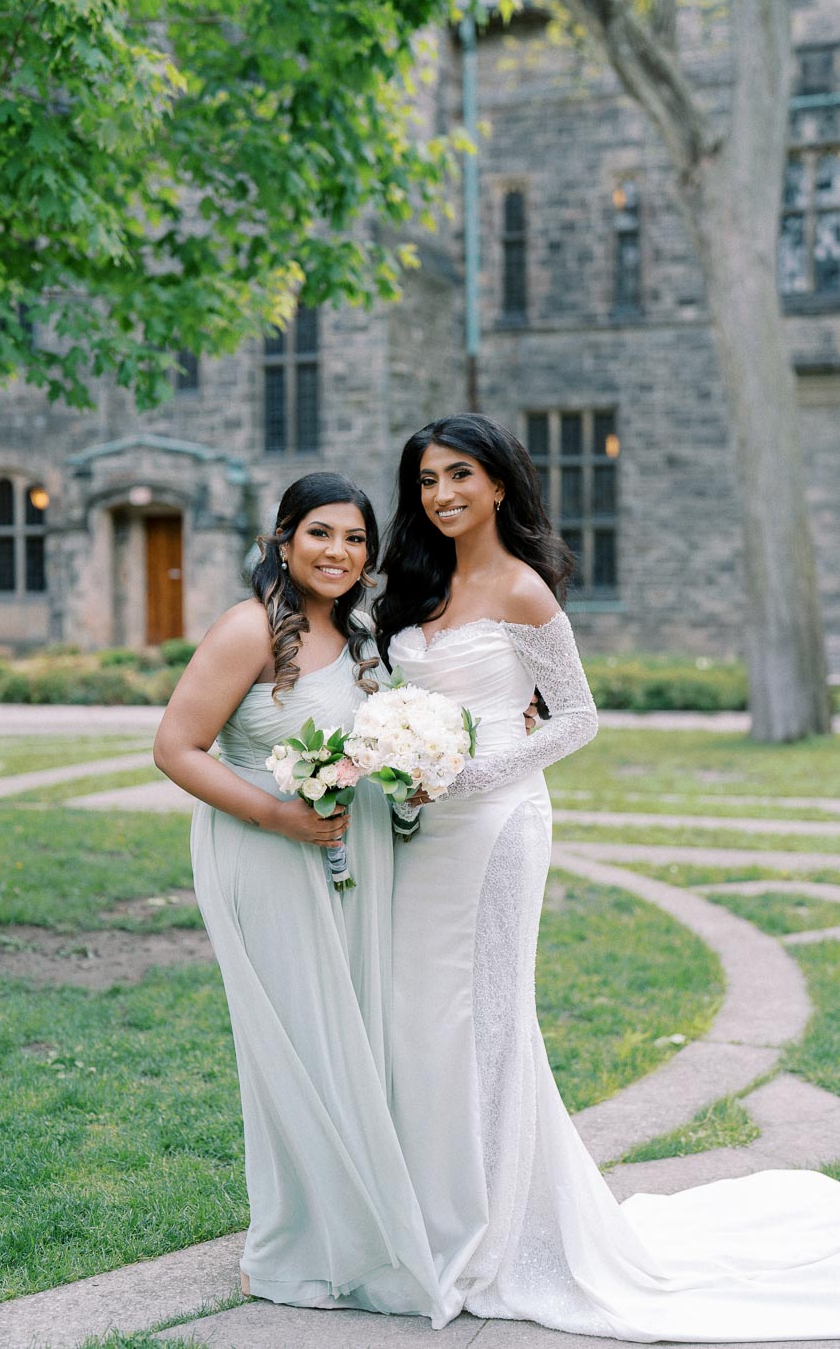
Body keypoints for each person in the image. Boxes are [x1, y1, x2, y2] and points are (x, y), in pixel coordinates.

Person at [373, 412, 840, 1338]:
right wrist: (399, 770)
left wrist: (471, 777)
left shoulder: (525, 591)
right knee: (419, 1013)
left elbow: (577, 717)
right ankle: (430, 1208)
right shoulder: (415, 585)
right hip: (422, 828)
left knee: (492, 1014)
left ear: (500, 483)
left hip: (501, 819)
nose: (442, 495)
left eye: (459, 475)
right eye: (426, 481)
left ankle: (501, 1230)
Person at [153, 472, 442, 1316]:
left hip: (355, 861)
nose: (340, 553)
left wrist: (410, 785)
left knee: (352, 1039)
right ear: (283, 540)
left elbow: (370, 746)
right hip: (268, 856)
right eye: (321, 533)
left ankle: (354, 1227)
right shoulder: (249, 629)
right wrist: (280, 819)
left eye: (356, 540)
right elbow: (177, 747)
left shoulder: (359, 634)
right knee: (300, 1046)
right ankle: (287, 1242)